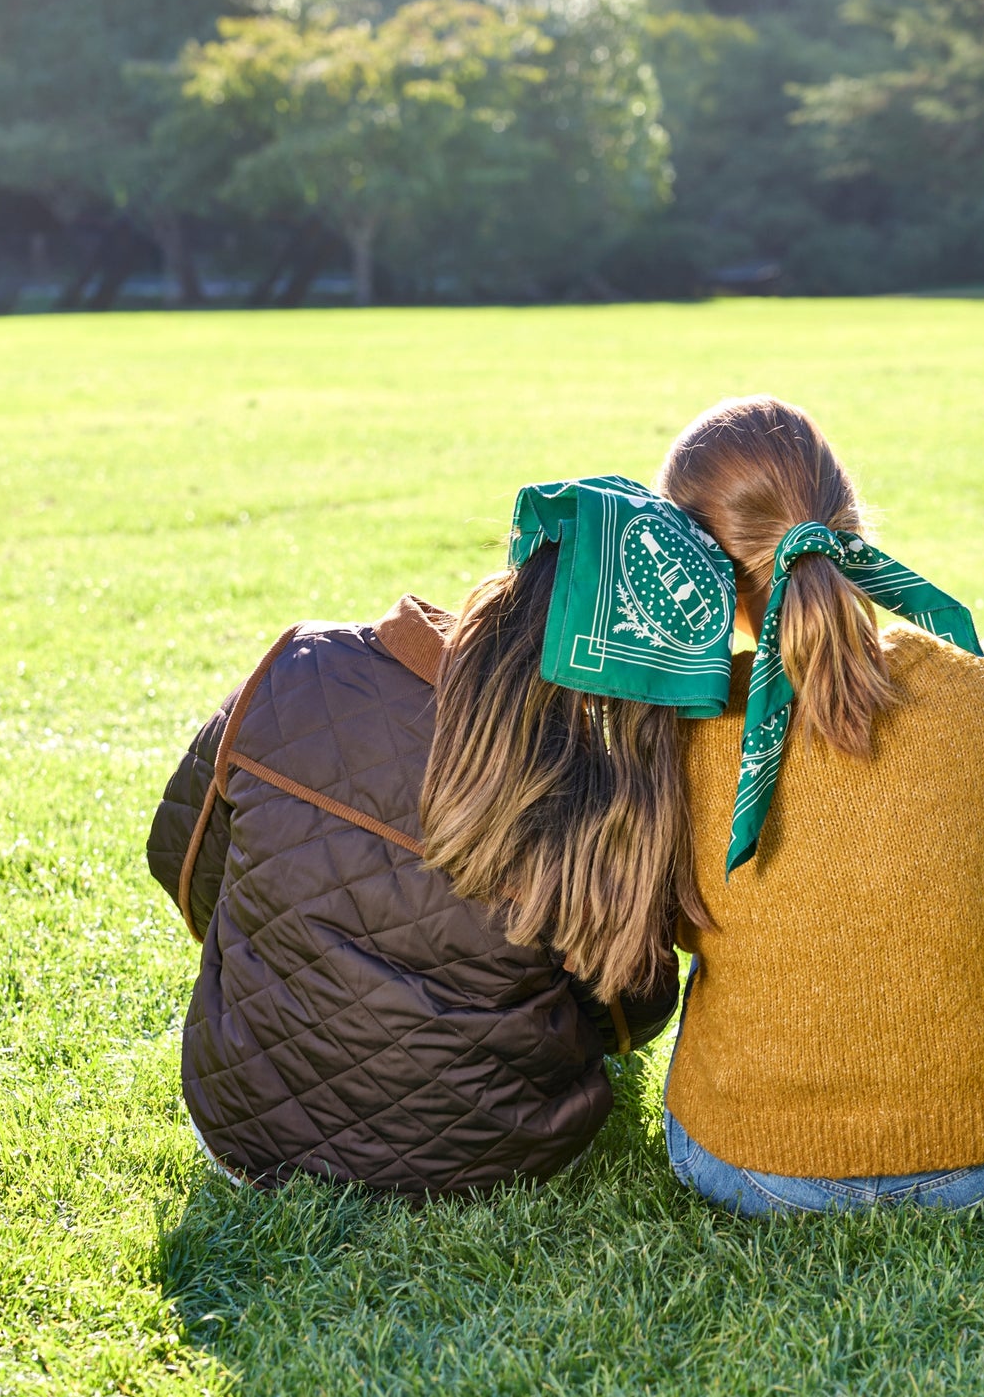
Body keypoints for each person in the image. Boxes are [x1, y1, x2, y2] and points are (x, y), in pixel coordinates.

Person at [146, 476, 735, 1196]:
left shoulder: (302, 665)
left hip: (241, 1126)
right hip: (491, 1160)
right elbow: (624, 1017)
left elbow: (183, 864)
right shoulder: (612, 802)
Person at [653, 395, 984, 1214]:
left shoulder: (678, 737)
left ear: (692, 570)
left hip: (752, 1169)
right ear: (850, 518)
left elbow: (681, 926)